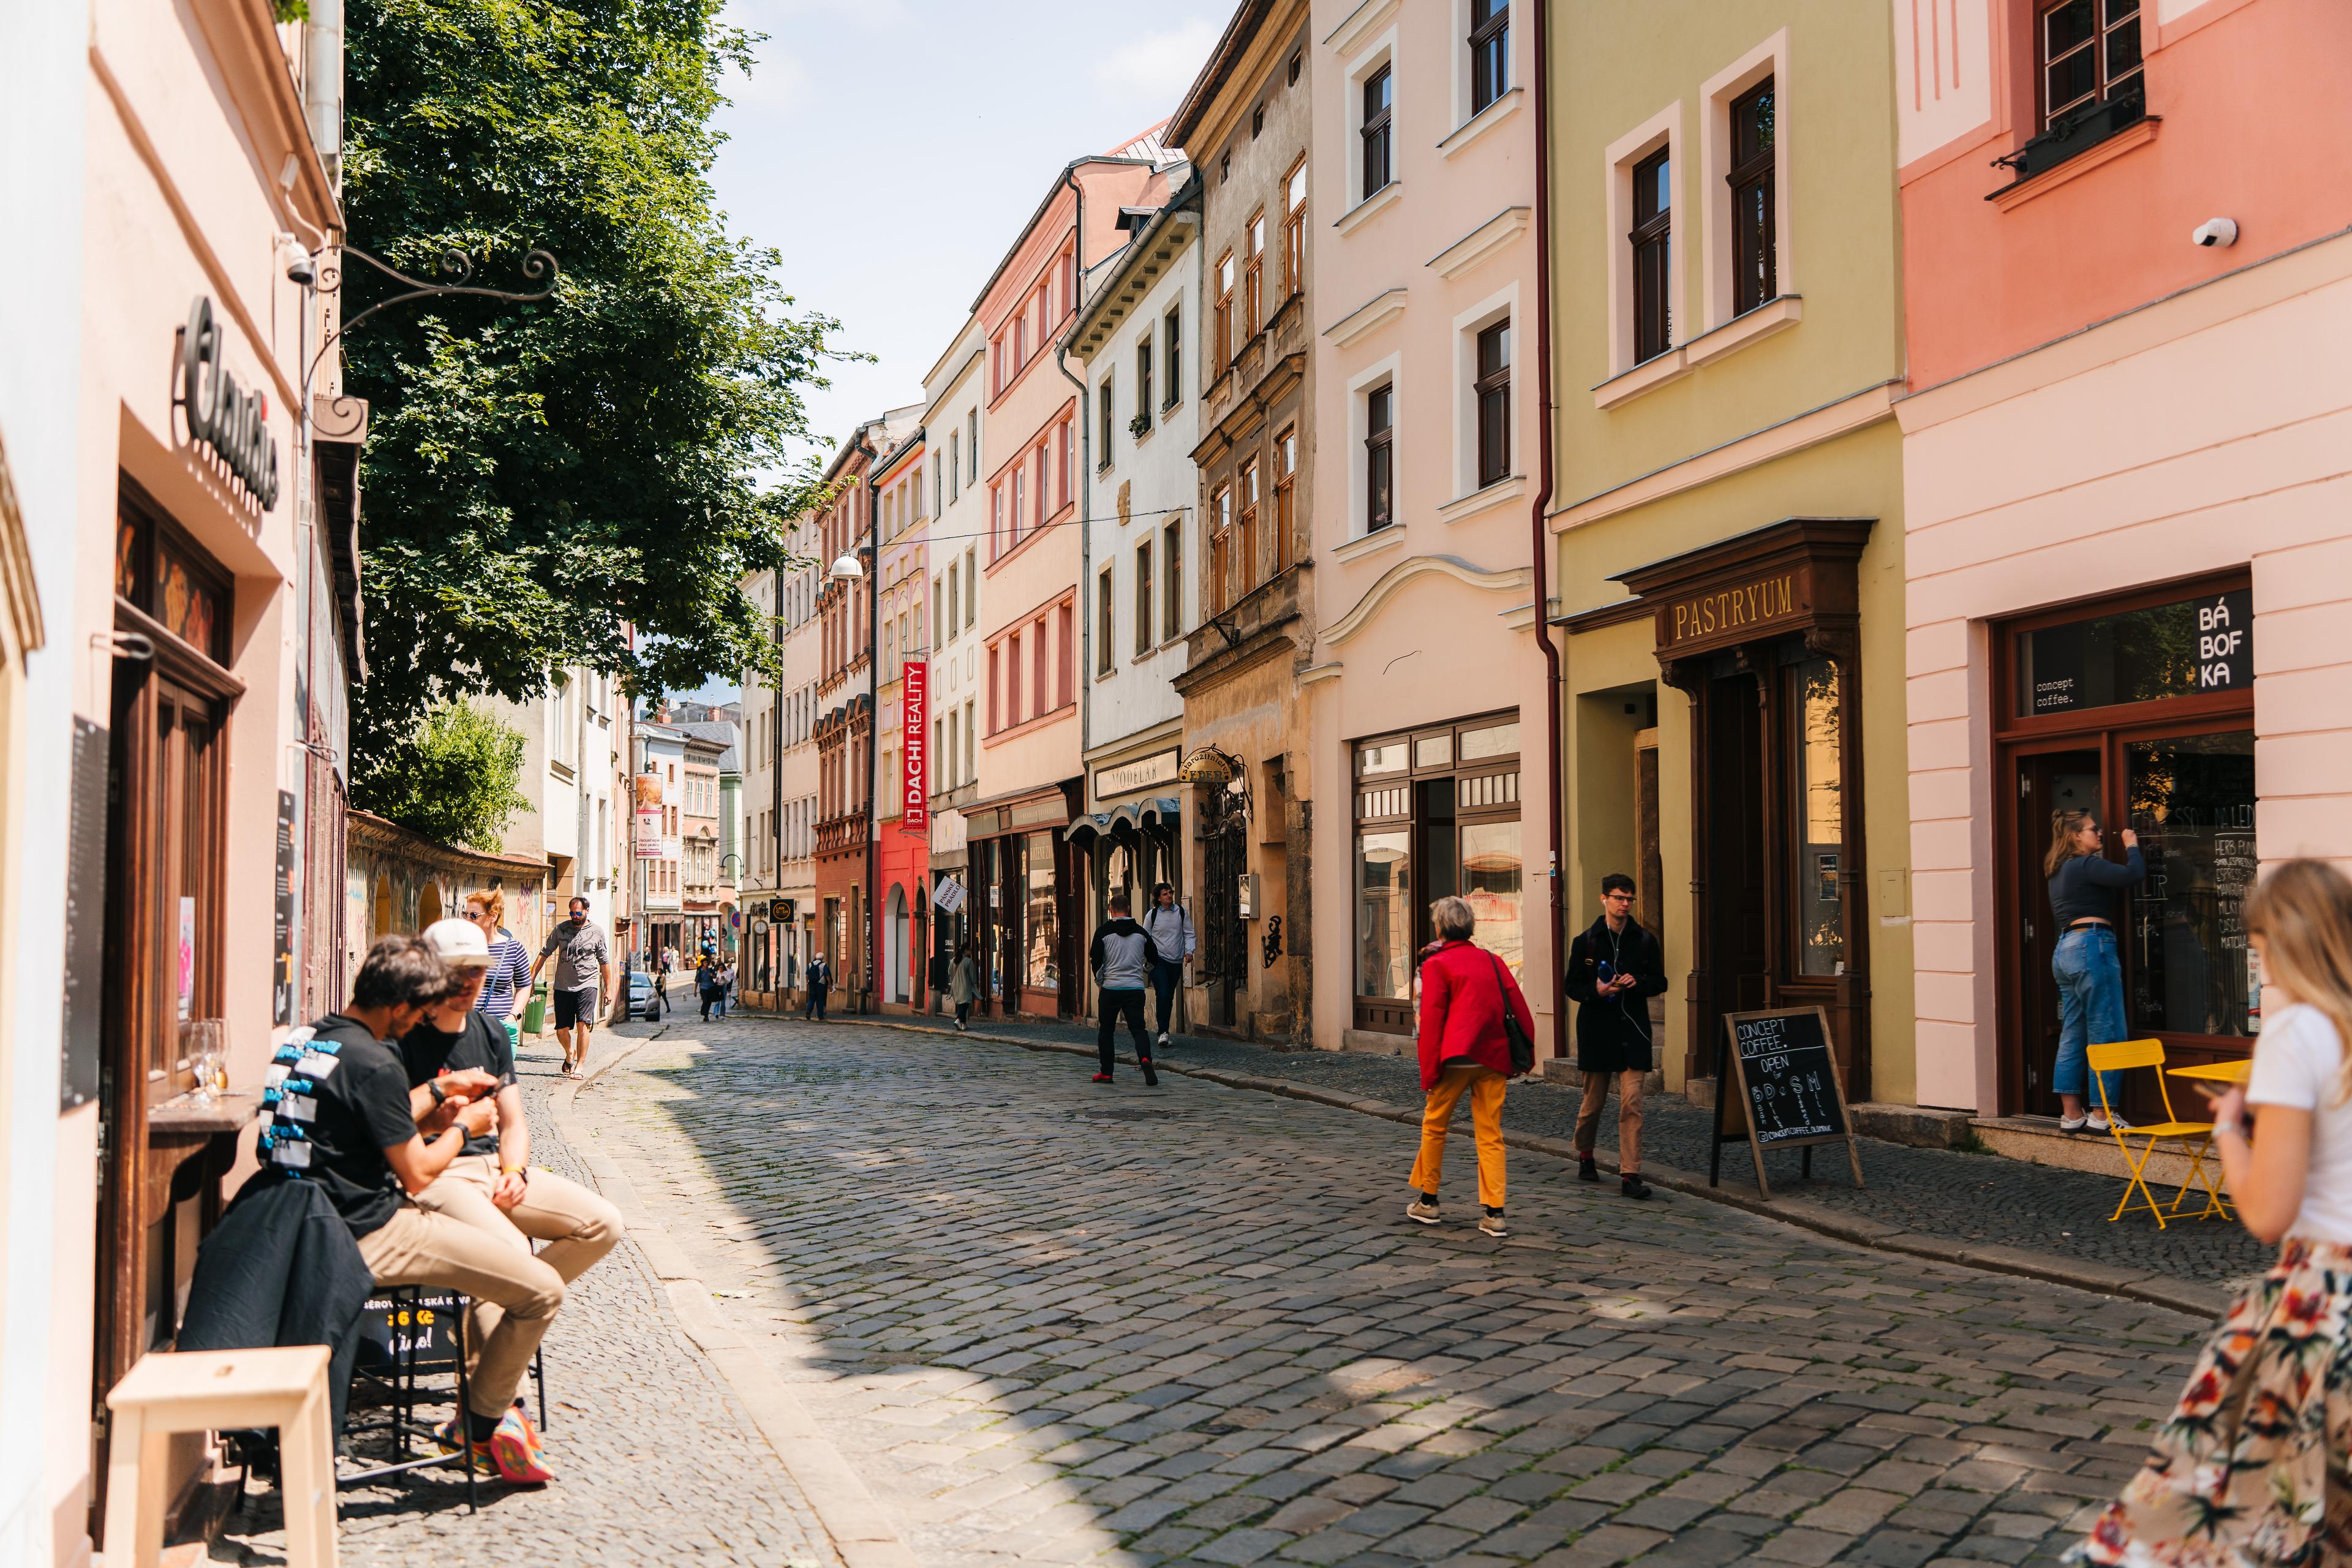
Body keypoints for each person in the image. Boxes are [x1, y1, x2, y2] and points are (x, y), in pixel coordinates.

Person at [2078, 859, 2352, 1567]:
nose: (2258, 968)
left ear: (2284, 944)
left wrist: (2230, 1126)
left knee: (2226, 1520)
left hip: (2327, 1307)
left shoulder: (2296, 1036)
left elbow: (2266, 1211)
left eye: (2258, 951)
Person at [257, 935, 562, 1485]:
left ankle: (480, 1416)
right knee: (541, 1289)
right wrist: (466, 1127)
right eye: (419, 1010)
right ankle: (476, 1429)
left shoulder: (305, 1040)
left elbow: (368, 1116)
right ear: (398, 1006)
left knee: (514, 1262)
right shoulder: (376, 1062)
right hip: (369, 1229)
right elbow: (418, 1171)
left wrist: (439, 1090)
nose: (421, 1020)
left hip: (296, 1224)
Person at [404, 921, 624, 1432]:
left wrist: (515, 1169)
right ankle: (502, 1413)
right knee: (508, 1254)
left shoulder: (487, 1033)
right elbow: (391, 1124)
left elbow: (515, 1121)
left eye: (478, 971)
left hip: (494, 1168)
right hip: (438, 1174)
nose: (469, 982)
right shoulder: (404, 1033)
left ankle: (498, 1324)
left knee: (603, 1223)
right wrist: (450, 1114)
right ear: (431, 973)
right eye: (457, 971)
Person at [1407, 895, 1535, 1238]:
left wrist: (1429, 1072)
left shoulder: (1437, 964)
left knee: (1435, 1125)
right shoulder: (1493, 961)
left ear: (1440, 928)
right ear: (1471, 927)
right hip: (1493, 1057)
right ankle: (1494, 1212)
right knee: (1490, 1134)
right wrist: (1527, 1056)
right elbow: (1520, 1009)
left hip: (1456, 1057)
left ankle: (1429, 1200)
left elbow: (1432, 1021)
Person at [1567, 874, 1669, 1200]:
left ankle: (1630, 1175)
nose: (1625, 904)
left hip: (1633, 1031)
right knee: (1593, 1104)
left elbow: (1659, 982)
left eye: (1629, 899)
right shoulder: (1586, 941)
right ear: (1604, 899)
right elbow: (1571, 987)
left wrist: (1637, 982)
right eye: (1619, 898)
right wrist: (1595, 991)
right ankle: (1585, 1154)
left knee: (1632, 1103)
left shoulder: (1644, 941)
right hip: (1597, 1032)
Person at [2046, 810, 2146, 1133]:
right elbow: (2133, 875)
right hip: (2092, 945)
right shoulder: (2086, 864)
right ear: (2076, 836)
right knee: (2108, 1030)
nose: (2100, 833)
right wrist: (2132, 845)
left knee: (2073, 1032)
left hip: (2065, 949)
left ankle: (2071, 1114)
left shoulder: (2058, 870)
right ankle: (2102, 1114)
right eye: (2093, 829)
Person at [529, 896, 612, 1079]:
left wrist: (609, 988)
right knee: (561, 1029)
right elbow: (544, 954)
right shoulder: (561, 929)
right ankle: (570, 1053)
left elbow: (604, 962)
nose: (575, 916)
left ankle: (580, 1066)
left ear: (587, 911)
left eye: (579, 913)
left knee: (583, 1024)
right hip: (563, 986)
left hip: (588, 984)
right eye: (572, 913)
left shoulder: (597, 932)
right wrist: (531, 979)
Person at [1087, 892, 1158, 1087]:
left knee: (1107, 1031)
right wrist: (1145, 970)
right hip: (1134, 988)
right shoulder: (1141, 933)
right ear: (1128, 909)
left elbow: (1095, 959)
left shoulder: (1103, 932)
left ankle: (1107, 1072)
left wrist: (1100, 981)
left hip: (1111, 988)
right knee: (1138, 1029)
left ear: (1111, 910)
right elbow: (1154, 957)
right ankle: (1145, 1059)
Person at [463, 891, 532, 1050]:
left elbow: (524, 986)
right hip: (468, 1026)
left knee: (499, 1075)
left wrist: (513, 1016)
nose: (468, 920)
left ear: (493, 916)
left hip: (501, 1026)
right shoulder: (463, 946)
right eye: (465, 914)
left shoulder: (514, 949)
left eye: (474, 915)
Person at [1141, 883, 1195, 1050]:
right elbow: (1145, 937)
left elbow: (1189, 933)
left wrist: (1189, 951)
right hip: (1159, 960)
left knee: (1168, 995)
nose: (1169, 896)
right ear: (1158, 898)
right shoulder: (1153, 915)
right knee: (1163, 993)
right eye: (1165, 894)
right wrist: (1148, 956)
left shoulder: (1181, 912)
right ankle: (1163, 1032)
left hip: (1176, 960)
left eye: (1170, 893)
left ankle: (1164, 1030)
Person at [948, 939, 981, 1032]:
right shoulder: (968, 961)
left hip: (955, 986)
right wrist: (976, 987)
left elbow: (949, 972)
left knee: (960, 1004)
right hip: (965, 986)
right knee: (965, 1004)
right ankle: (958, 1020)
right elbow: (973, 977)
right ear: (965, 951)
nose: (971, 952)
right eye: (970, 950)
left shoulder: (953, 960)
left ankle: (964, 1025)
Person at [805, 953, 831, 1022]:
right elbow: (827, 976)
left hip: (812, 984)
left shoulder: (810, 964)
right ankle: (820, 1016)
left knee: (812, 998)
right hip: (821, 984)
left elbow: (807, 975)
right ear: (822, 958)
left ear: (816, 958)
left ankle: (808, 1011)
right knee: (820, 1000)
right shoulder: (823, 965)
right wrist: (830, 984)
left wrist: (808, 982)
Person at [697, 952, 723, 1021]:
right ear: (703, 963)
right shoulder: (700, 972)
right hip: (703, 988)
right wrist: (695, 991)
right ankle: (704, 1013)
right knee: (705, 1001)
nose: (706, 964)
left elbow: (715, 977)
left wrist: (712, 976)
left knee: (709, 1002)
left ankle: (706, 1016)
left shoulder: (710, 970)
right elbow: (697, 981)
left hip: (710, 988)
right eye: (705, 963)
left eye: (707, 963)